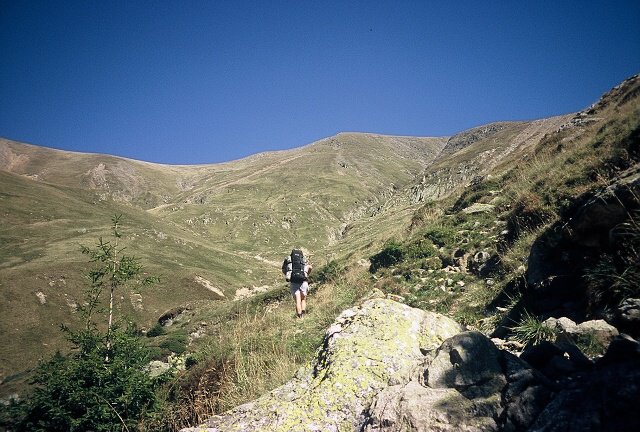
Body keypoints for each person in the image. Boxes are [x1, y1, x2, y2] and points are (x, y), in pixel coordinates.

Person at [282, 248, 312, 319]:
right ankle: (303, 314)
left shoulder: (289, 260)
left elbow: (283, 269)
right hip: (303, 281)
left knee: (298, 301)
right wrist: (307, 274)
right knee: (303, 299)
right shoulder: (303, 259)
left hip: (294, 282)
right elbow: (310, 267)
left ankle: (300, 317)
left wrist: (289, 275)